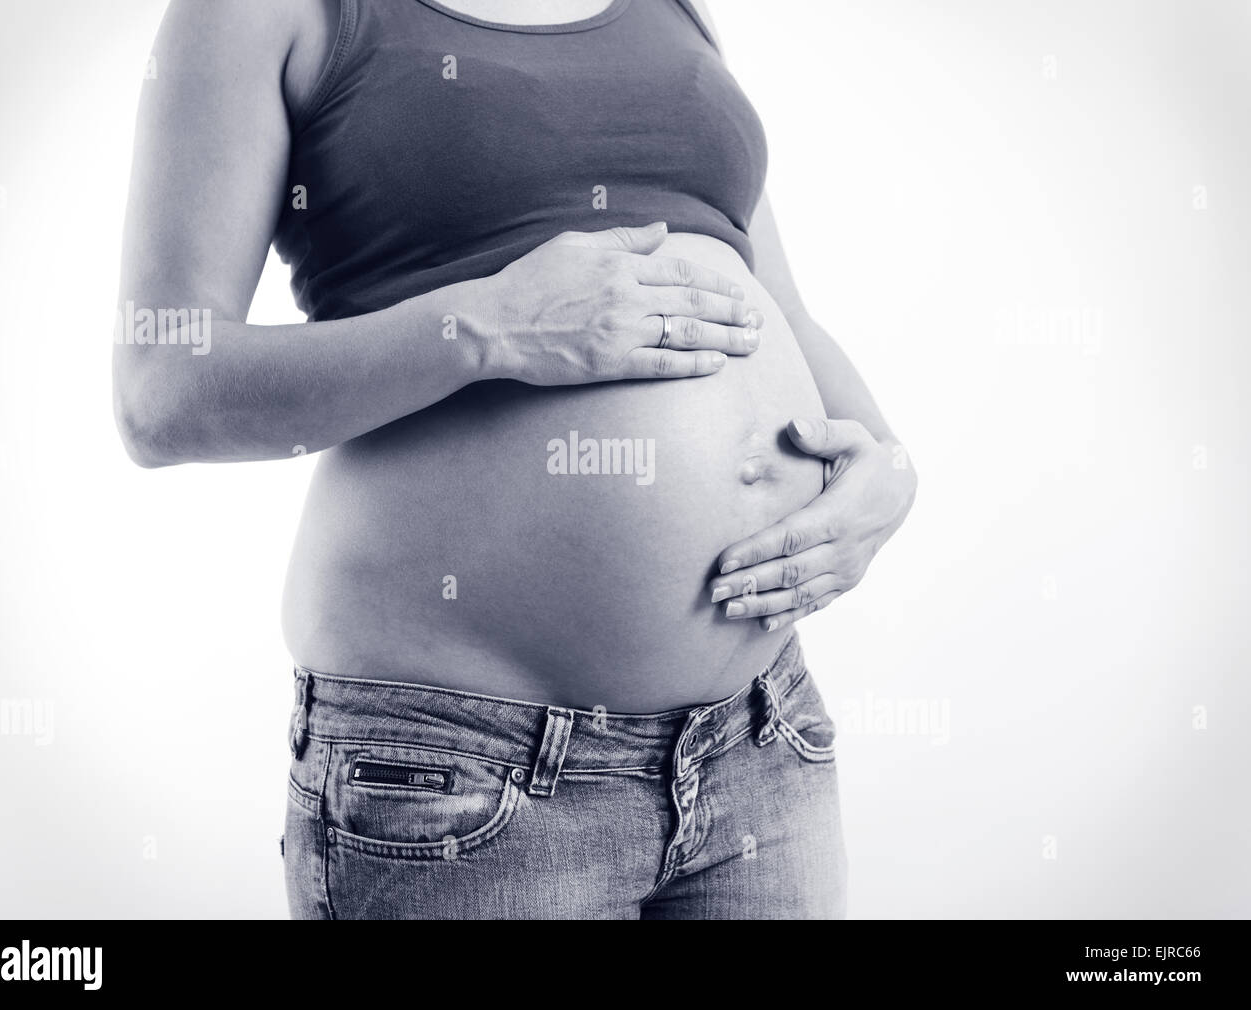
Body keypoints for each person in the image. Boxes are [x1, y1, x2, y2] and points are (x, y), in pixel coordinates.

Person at [114, 0, 917, 918]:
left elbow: (780, 311)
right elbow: (161, 392)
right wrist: (486, 327)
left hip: (760, 743)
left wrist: (886, 473)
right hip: (458, 772)